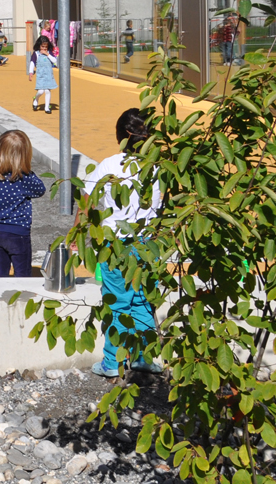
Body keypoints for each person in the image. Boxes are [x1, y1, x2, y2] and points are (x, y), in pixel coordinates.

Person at [82, 108, 162, 378]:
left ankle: (111, 363)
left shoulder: (108, 166)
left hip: (114, 245)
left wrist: (78, 235)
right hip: (147, 244)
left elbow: (86, 202)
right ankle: (143, 358)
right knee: (143, 301)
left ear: (121, 137)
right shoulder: (156, 168)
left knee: (117, 303)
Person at [0, 130, 47, 277]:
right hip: (19, 232)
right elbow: (41, 190)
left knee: (0, 273)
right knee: (22, 274)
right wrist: (28, 171)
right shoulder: (24, 178)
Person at [29, 35, 57, 113]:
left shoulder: (49, 53)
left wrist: (48, 54)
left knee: (47, 90)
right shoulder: (36, 54)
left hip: (48, 75)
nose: (44, 49)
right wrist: (31, 72)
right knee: (41, 91)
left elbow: (55, 61)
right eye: (42, 46)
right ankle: (36, 99)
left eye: (46, 47)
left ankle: (47, 107)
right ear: (39, 46)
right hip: (40, 75)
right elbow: (32, 63)